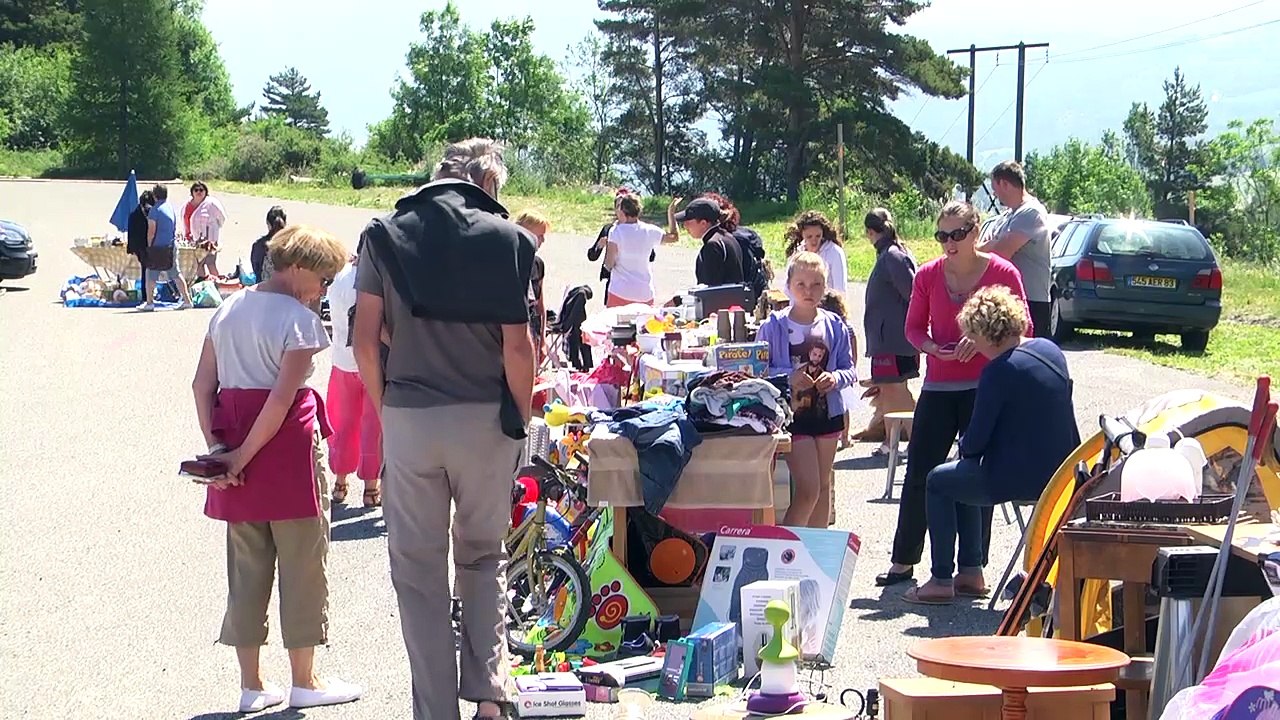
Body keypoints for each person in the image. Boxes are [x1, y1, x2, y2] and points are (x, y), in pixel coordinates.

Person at [352, 138, 536, 720]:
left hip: (409, 414)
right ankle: (487, 697)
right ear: (486, 180)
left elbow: (363, 341)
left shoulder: (383, 233)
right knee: (484, 557)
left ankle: (435, 711)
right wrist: (520, 421)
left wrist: (388, 412)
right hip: (485, 417)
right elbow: (518, 345)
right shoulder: (510, 239)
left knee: (417, 569)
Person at [192, 224, 362, 712]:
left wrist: (219, 453)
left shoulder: (228, 309)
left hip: (231, 444)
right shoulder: (300, 320)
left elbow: (203, 385)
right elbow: (283, 399)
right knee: (303, 564)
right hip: (286, 453)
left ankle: (251, 686)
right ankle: (304, 680)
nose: (324, 290)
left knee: (247, 567)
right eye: (324, 279)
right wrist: (243, 456)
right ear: (299, 268)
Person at [878, 201, 1031, 588]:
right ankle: (903, 560)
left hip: (987, 384)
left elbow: (1025, 327)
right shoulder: (927, 274)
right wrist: (930, 348)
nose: (949, 243)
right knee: (921, 469)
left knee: (977, 473)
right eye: (942, 236)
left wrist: (982, 343)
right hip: (939, 384)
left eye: (957, 234)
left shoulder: (1003, 272)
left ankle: (971, 568)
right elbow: (913, 329)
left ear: (975, 233)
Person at [906, 285, 1079, 604]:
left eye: (973, 336)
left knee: (939, 480)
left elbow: (975, 442)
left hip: (1020, 479)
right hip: (1062, 475)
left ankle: (942, 579)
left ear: (986, 335)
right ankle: (971, 572)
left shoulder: (998, 371)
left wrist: (963, 445)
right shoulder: (1049, 351)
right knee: (964, 473)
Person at [758, 252, 858, 528]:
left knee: (824, 487)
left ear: (825, 287)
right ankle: (789, 552)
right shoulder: (773, 326)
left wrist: (835, 379)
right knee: (808, 489)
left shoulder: (834, 325)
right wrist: (789, 377)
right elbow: (758, 371)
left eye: (816, 284)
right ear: (788, 285)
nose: (808, 291)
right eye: (801, 284)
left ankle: (818, 553)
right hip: (792, 417)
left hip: (827, 414)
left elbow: (850, 370)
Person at [856, 208, 920, 454]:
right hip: (886, 339)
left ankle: (917, 442)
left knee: (897, 390)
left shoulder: (893, 255)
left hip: (895, 339)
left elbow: (913, 294)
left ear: (870, 232)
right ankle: (890, 441)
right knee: (888, 390)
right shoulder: (888, 254)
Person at [324, 242, 382, 508]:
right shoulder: (382, 278)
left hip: (342, 360)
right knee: (373, 425)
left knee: (342, 423)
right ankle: (371, 487)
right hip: (373, 362)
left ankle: (340, 482)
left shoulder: (340, 276)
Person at [979, 161, 1052, 338]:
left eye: (995, 188)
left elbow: (1000, 253)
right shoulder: (1006, 216)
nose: (995, 194)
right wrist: (993, 243)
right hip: (1009, 299)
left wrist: (993, 243)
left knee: (1027, 357)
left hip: (1030, 300)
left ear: (1004, 183)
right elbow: (979, 247)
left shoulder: (1031, 212)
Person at [603, 192, 676, 307]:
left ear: (622, 210)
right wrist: (671, 213)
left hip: (620, 290)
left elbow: (609, 264)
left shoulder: (616, 231)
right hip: (644, 292)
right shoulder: (650, 230)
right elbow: (674, 237)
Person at [588, 188, 664, 298]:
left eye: (624, 206)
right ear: (615, 209)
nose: (622, 210)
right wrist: (599, 246)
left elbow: (651, 257)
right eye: (618, 206)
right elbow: (592, 256)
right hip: (615, 285)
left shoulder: (641, 230)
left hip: (638, 284)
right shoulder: (609, 229)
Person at [700, 191, 771, 308]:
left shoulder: (719, 243)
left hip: (732, 304)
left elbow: (713, 287)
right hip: (755, 296)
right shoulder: (746, 235)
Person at [142, 184, 193, 311]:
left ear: (154, 195)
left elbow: (151, 231)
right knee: (175, 273)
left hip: (158, 247)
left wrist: (148, 246)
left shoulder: (155, 210)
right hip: (171, 245)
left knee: (150, 273)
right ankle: (187, 300)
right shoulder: (169, 207)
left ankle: (149, 302)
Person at [675, 198, 744, 288]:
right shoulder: (728, 237)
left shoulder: (712, 245)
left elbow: (709, 290)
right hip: (735, 297)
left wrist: (678, 299)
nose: (685, 226)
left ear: (703, 223)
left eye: (688, 222)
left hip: (721, 301)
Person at [514, 210, 551, 360]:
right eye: (539, 235)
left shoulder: (537, 264)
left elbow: (540, 306)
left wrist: (542, 340)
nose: (542, 240)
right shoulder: (510, 260)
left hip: (532, 327)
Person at [784, 210, 847, 295]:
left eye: (818, 236)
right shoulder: (796, 254)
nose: (814, 241)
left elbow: (840, 290)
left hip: (826, 306)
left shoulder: (835, 252)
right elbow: (787, 289)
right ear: (802, 235)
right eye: (809, 236)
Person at [188, 181, 228, 280]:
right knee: (199, 264)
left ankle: (217, 283)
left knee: (210, 263)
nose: (199, 192)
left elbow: (221, 218)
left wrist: (213, 229)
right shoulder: (189, 205)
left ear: (206, 191)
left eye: (201, 190)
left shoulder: (212, 203)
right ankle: (203, 282)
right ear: (192, 192)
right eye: (196, 190)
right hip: (197, 240)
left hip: (210, 239)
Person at [126, 190, 155, 304]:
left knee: (149, 270)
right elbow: (131, 232)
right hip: (140, 246)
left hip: (151, 244)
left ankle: (149, 294)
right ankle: (146, 296)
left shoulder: (152, 213)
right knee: (146, 270)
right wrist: (131, 249)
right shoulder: (135, 214)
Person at [251, 206, 287, 282]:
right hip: (287, 291)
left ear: (267, 223)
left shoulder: (258, 245)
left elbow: (256, 269)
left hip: (263, 289)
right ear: (285, 223)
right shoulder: (292, 246)